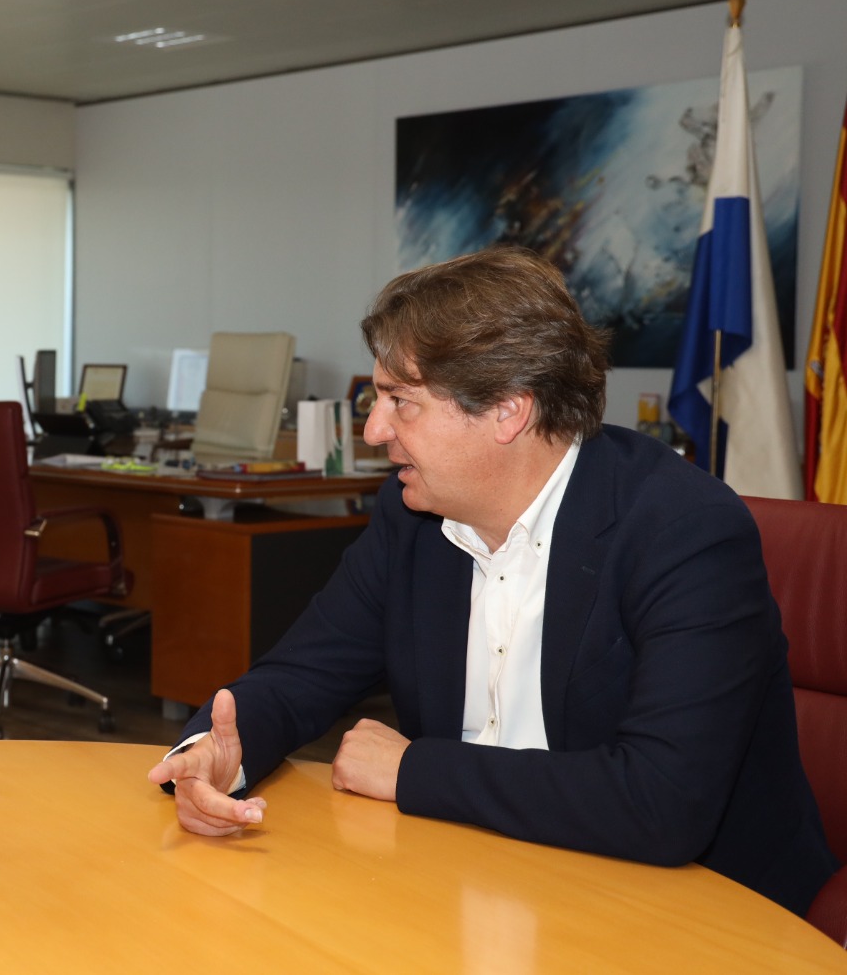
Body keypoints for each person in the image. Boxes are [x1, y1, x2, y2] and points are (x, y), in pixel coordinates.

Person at [147, 246, 837, 917]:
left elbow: (662, 803)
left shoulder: (682, 529)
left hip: (699, 913)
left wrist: (415, 771)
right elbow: (303, 674)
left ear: (509, 409)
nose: (375, 428)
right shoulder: (412, 515)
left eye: (400, 401)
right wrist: (212, 753)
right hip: (474, 880)